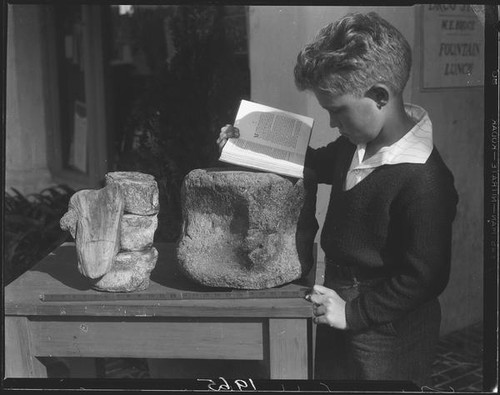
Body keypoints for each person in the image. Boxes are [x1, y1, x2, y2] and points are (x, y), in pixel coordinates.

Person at [217, 12, 458, 387]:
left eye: (337, 111)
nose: (332, 123)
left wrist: (354, 314)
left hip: (388, 331)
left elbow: (425, 277)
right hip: (337, 303)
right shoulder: (357, 142)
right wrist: (245, 141)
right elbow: (319, 163)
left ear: (379, 96)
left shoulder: (425, 179)